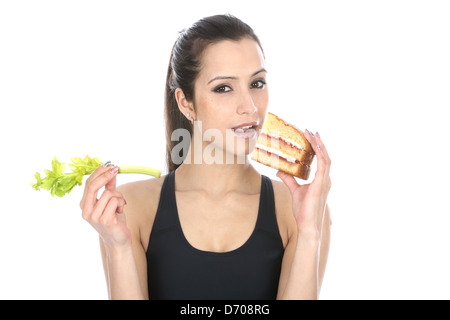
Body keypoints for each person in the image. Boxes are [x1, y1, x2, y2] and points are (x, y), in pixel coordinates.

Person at [79, 14, 332, 300]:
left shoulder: (298, 210)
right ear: (186, 103)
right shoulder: (129, 209)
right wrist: (119, 247)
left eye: (257, 83)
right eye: (223, 88)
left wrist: (310, 232)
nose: (249, 107)